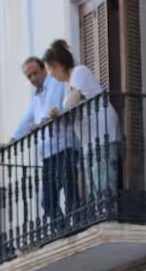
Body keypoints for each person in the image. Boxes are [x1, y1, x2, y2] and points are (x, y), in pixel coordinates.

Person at [42, 39, 120, 209]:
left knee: (104, 179)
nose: (50, 74)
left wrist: (60, 111)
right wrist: (59, 115)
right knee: (95, 182)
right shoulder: (66, 84)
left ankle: (107, 213)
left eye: (50, 69)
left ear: (57, 64)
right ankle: (101, 212)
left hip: (103, 133)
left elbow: (73, 101)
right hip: (90, 140)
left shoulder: (79, 72)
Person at [11, 56, 72, 222]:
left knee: (70, 192)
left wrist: (43, 122)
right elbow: (27, 120)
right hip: (47, 153)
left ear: (44, 70)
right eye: (29, 76)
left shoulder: (56, 83)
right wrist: (11, 141)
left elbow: (58, 107)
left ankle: (75, 227)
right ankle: (63, 230)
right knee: (48, 201)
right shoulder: (36, 97)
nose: (33, 79)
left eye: (35, 73)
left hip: (64, 146)